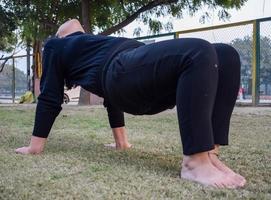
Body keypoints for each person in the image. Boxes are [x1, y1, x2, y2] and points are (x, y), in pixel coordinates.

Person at [15, 19, 246, 188]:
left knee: (226, 55)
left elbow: (110, 100)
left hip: (140, 73)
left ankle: (209, 152)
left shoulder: (92, 43)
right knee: (198, 50)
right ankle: (195, 164)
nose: (73, 24)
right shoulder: (56, 46)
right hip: (120, 74)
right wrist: (35, 146)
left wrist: (121, 143)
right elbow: (49, 96)